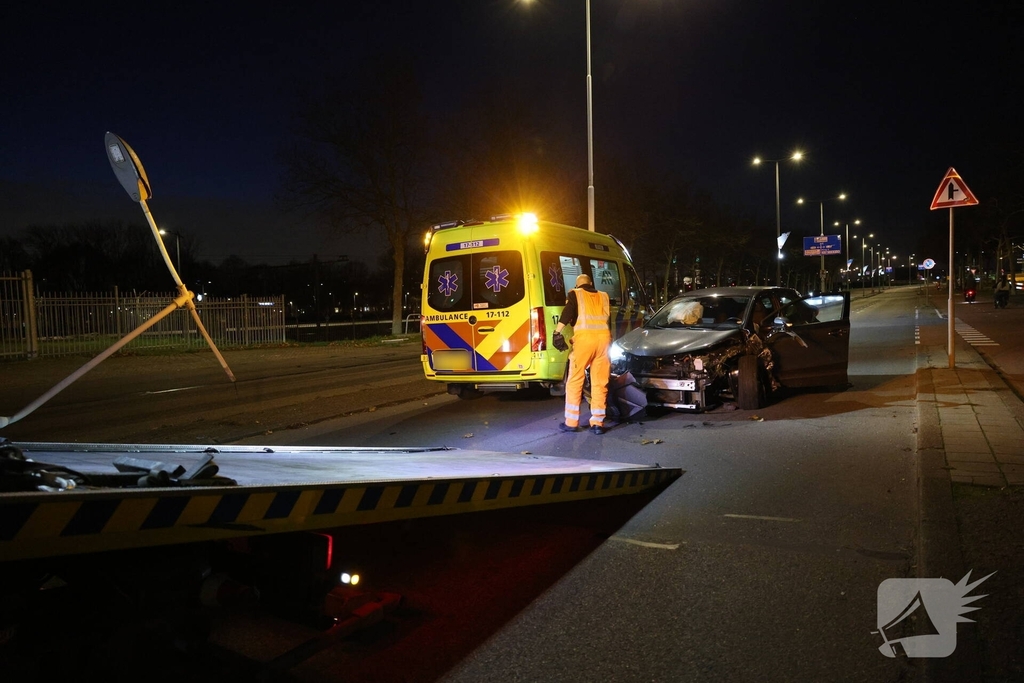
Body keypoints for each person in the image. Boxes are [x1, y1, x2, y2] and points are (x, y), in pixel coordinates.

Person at [552, 273, 611, 434]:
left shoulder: (575, 294)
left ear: (578, 285)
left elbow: (568, 313)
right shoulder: (604, 296)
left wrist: (557, 332)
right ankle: (598, 423)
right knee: (600, 382)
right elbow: (607, 319)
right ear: (591, 283)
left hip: (584, 342)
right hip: (604, 341)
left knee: (575, 380)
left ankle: (571, 422)